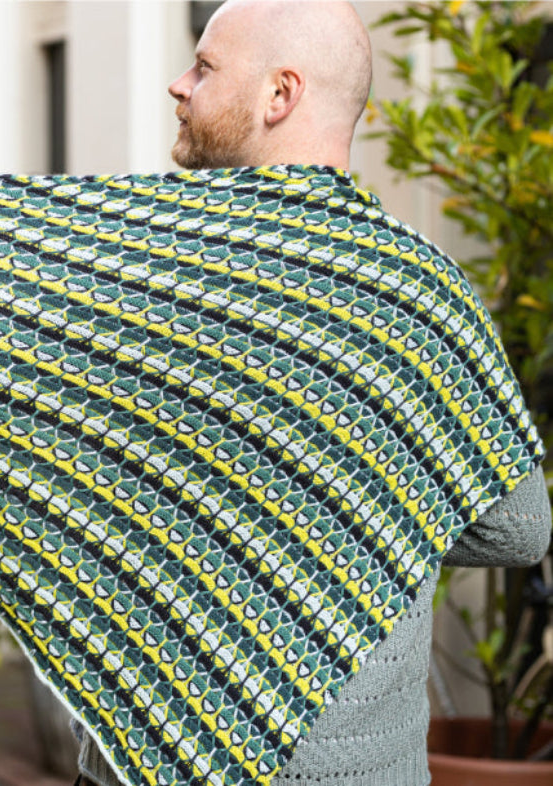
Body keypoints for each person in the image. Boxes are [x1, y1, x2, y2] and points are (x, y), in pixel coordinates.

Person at [71, 1, 552, 784]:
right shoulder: (420, 292)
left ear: (279, 95)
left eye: (204, 68)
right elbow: (518, 528)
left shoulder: (148, 274)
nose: (178, 85)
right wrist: (363, 518)